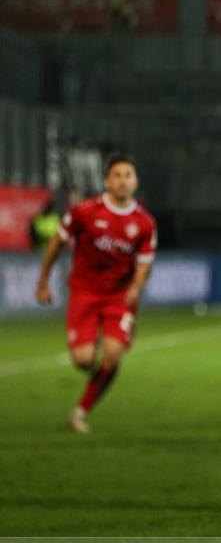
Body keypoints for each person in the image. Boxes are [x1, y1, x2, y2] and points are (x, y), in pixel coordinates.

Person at [34, 153, 157, 434]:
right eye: (117, 175)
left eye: (128, 175)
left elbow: (145, 263)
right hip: (85, 292)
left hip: (119, 296)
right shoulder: (84, 212)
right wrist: (43, 280)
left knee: (112, 357)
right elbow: (56, 242)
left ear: (135, 182)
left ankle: (80, 412)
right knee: (83, 361)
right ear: (106, 181)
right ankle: (98, 338)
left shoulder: (145, 223)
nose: (122, 181)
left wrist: (136, 287)